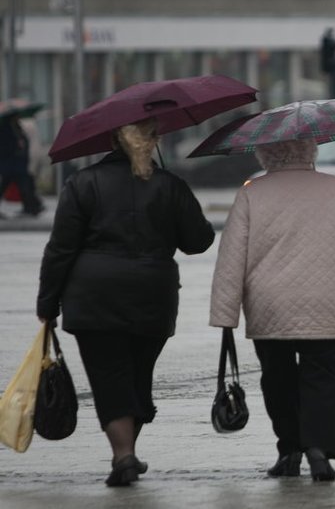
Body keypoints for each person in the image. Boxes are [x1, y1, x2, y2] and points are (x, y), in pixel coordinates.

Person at [37, 118, 215, 487]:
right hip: (153, 293)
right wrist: (173, 202)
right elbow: (198, 241)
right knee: (137, 376)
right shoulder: (169, 185)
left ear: (112, 141)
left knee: (109, 377)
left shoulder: (83, 183)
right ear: (155, 140)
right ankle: (127, 454)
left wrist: (48, 303)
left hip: (93, 296)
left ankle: (123, 455)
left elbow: (61, 249)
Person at [209, 138, 335, 481]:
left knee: (278, 379)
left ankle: (289, 450)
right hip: (325, 301)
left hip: (269, 304)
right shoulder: (333, 188)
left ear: (265, 154)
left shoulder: (252, 193)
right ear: (310, 152)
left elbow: (231, 257)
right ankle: (319, 449)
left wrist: (224, 313)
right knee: (325, 377)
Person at [0, 114, 44, 217]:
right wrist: (17, 146)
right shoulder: (5, 128)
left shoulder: (17, 127)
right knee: (21, 186)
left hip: (19, 164)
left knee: (24, 186)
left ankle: (32, 207)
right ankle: (33, 207)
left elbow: (25, 142)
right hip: (11, 164)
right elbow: (5, 146)